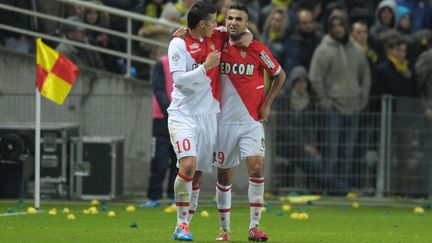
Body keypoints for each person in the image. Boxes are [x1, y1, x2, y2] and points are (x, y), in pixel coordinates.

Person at [214, 4, 286, 241]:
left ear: (247, 24)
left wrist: (267, 103)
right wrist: (182, 31)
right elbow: (198, 31)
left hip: (251, 121)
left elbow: (280, 74)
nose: (233, 22)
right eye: (230, 18)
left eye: (238, 19)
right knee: (224, 178)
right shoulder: (218, 42)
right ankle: (224, 229)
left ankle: (254, 226)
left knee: (256, 169)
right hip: (223, 122)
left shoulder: (257, 49)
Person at [167, 1, 224, 241]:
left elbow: (246, 32)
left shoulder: (217, 37)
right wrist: (206, 67)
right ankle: (181, 224)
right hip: (183, 114)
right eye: (213, 21)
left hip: (208, 116)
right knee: (187, 165)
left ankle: (186, 224)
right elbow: (179, 81)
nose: (217, 25)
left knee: (198, 174)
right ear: (202, 23)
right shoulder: (178, 43)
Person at [309, 11, 371, 191]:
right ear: (329, 28)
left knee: (348, 151)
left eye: (340, 25)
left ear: (346, 26)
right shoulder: (323, 49)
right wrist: (325, 102)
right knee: (332, 151)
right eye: (333, 25)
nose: (337, 29)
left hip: (354, 108)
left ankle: (343, 188)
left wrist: (362, 100)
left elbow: (365, 76)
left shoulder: (358, 50)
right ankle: (329, 188)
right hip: (333, 109)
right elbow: (315, 78)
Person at [140, 55, 178, 208]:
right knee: (159, 161)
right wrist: (170, 110)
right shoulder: (161, 63)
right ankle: (153, 197)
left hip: (180, 119)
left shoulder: (189, 61)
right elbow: (158, 89)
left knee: (178, 161)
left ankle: (173, 197)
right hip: (162, 119)